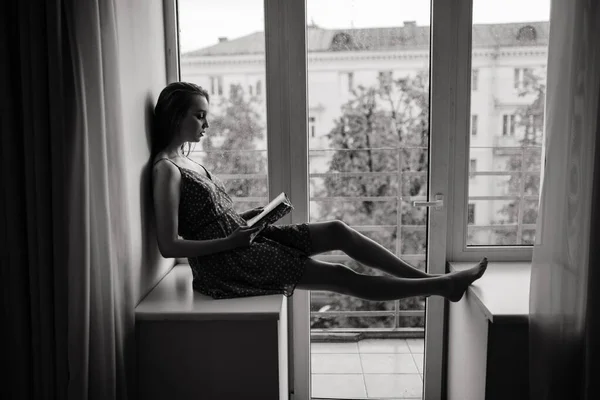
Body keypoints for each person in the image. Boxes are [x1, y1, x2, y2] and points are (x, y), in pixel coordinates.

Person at [151, 81, 487, 301]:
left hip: (242, 239)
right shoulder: (166, 170)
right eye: (199, 116)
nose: (206, 125)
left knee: (337, 230)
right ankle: (442, 286)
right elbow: (169, 246)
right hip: (226, 262)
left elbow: (211, 216)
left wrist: (254, 220)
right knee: (340, 276)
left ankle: (427, 279)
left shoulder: (186, 161)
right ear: (175, 117)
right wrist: (231, 241)